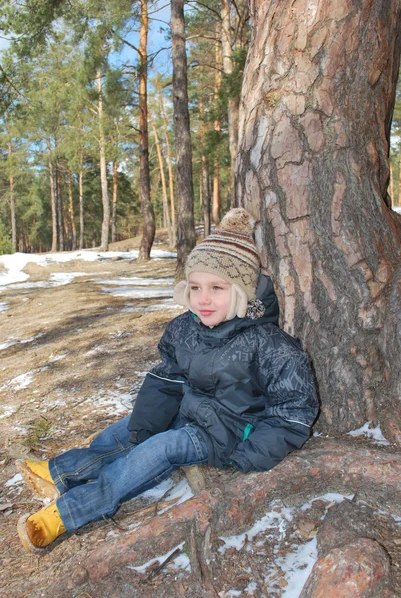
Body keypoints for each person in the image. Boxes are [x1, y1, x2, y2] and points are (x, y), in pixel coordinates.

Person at [16, 208, 318, 554]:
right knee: (129, 430)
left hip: (224, 433)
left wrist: (251, 454)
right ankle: (63, 472)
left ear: (243, 291)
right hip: (188, 410)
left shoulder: (270, 345)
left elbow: (293, 411)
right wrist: (145, 423)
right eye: (195, 287)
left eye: (217, 288)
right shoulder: (185, 329)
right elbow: (167, 377)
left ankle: (70, 512)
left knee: (159, 449)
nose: (203, 299)